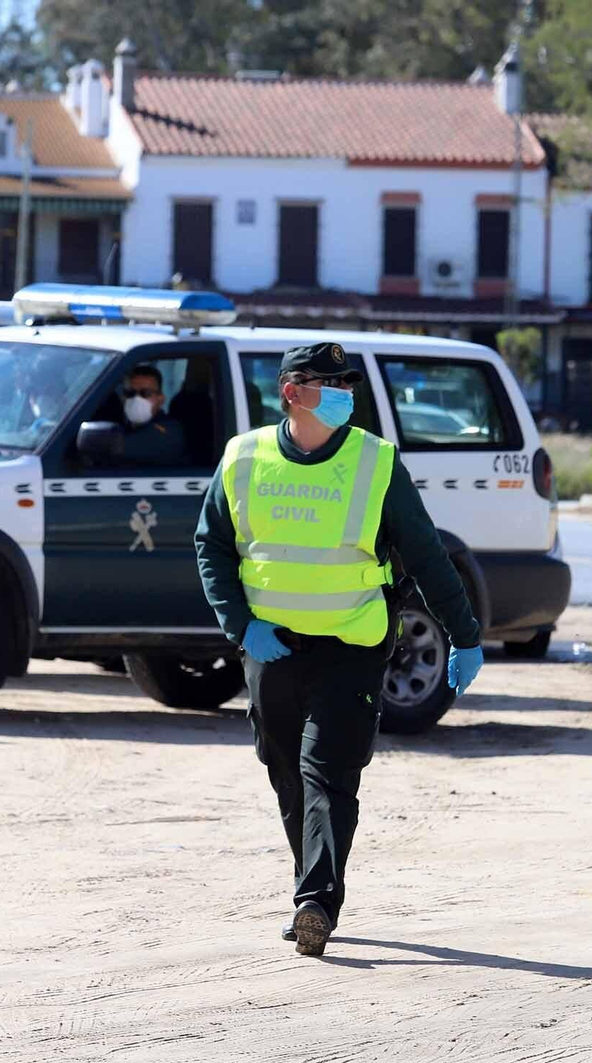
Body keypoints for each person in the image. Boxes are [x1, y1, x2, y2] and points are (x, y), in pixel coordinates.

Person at [194, 341, 483, 957]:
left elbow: (427, 554)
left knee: (328, 771)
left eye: (347, 383)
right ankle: (311, 887)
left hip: (352, 645)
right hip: (270, 649)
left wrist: (466, 633)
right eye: (329, 383)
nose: (344, 393)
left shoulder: (375, 462)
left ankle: (315, 902)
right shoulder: (242, 459)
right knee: (283, 769)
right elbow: (212, 546)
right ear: (292, 393)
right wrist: (240, 626)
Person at [120, 363, 187, 466]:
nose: (136, 399)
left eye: (146, 393)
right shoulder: (121, 426)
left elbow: (123, 447)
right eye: (131, 393)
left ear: (161, 399)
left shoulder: (169, 431)